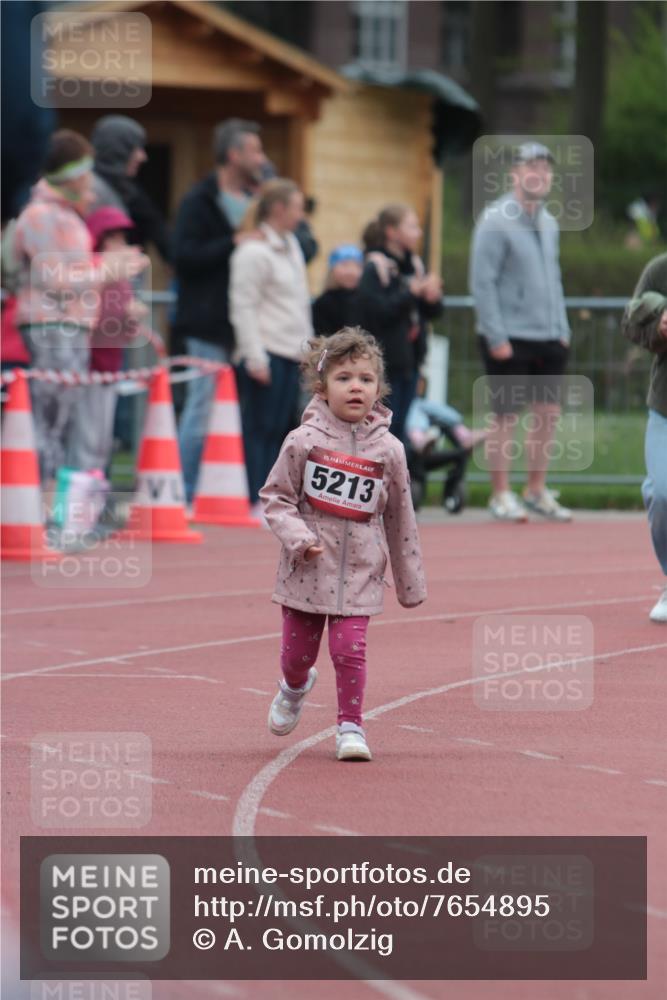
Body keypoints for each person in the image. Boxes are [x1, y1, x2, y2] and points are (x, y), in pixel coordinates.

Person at [259, 328, 427, 761]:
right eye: (345, 378)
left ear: (378, 388)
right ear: (322, 386)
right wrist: (300, 539)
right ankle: (294, 687)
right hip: (308, 571)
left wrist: (410, 584)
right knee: (297, 656)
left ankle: (350, 726)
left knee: (349, 650)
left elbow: (401, 517)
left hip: (361, 571)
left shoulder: (389, 451)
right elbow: (275, 498)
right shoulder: (302, 442)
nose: (356, 387)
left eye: (366, 379)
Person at [12, 130, 148, 485]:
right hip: (50, 325)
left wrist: (107, 267)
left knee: (61, 421)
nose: (90, 180)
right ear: (72, 174)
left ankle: (46, 505)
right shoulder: (42, 214)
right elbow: (53, 279)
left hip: (69, 326)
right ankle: (34, 507)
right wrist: (109, 268)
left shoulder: (65, 215)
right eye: (85, 171)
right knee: (49, 420)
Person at [470, 141, 572, 522]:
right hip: (509, 337)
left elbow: (555, 278)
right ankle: (500, 494)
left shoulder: (549, 221)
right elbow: (483, 282)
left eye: (545, 169)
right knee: (505, 418)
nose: (539, 175)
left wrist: (562, 329)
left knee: (547, 415)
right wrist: (496, 337)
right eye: (531, 167)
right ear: (514, 174)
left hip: (549, 335)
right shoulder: (495, 219)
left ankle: (536, 490)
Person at [173, 118, 266, 504]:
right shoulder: (199, 200)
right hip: (206, 323)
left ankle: (227, 493)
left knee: (238, 413)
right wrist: (232, 243)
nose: (262, 158)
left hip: (247, 325)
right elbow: (183, 256)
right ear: (234, 154)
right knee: (202, 408)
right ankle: (183, 491)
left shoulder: (259, 200)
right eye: (255, 150)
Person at [230, 178, 312, 516]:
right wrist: (254, 355)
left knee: (281, 428)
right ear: (279, 209)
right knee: (259, 428)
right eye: (296, 207)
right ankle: (253, 497)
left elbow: (297, 302)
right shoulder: (252, 252)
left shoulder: (290, 244)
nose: (300, 214)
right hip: (266, 350)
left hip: (290, 350)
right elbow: (243, 304)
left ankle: (272, 498)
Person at [67, 206, 157, 474]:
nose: (120, 244)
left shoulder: (120, 277)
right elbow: (87, 319)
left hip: (110, 364)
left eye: (122, 238)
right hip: (89, 365)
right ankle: (76, 500)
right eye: (113, 238)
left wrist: (132, 318)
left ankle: (90, 500)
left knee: (100, 442)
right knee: (86, 441)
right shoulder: (93, 272)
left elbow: (124, 332)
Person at [357, 205, 443, 445]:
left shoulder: (414, 265)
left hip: (411, 361)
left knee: (401, 427)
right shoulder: (376, 267)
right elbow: (376, 313)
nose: (418, 233)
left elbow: (429, 313)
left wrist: (432, 298)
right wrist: (411, 293)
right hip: (385, 363)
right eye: (412, 227)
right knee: (380, 429)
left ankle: (396, 480)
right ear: (392, 232)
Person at [621, 253, 667, 623]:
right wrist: (658, 326)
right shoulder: (660, 269)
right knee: (661, 492)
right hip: (665, 406)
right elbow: (630, 322)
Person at [90, 115, 171, 262]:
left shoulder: (127, 191)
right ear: (117, 149)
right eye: (135, 148)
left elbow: (159, 232)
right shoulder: (91, 190)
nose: (142, 157)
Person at [312, 244, 363, 335]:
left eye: (357, 266)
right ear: (332, 269)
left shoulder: (367, 301)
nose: (351, 271)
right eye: (345, 265)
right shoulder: (323, 304)